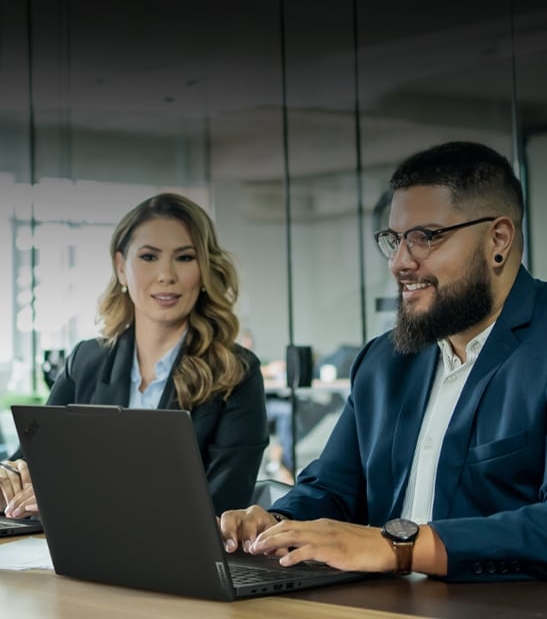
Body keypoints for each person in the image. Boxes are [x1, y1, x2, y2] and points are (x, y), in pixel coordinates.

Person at [219, 140, 547, 582]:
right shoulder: (384, 361)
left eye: (425, 237)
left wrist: (401, 547)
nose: (398, 263)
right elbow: (333, 489)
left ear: (499, 239)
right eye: (394, 240)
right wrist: (277, 525)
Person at [0, 192, 268, 517]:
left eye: (184, 257)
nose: (166, 274)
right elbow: (32, 464)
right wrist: (10, 480)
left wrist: (80, 498)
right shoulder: (85, 361)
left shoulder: (235, 373)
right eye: (149, 257)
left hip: (178, 564)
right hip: (69, 558)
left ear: (205, 270)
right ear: (121, 267)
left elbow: (223, 506)